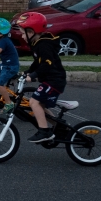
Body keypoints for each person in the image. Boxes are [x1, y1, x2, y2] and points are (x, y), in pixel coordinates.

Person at [14, 12, 67, 144]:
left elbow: (46, 64)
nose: (21, 35)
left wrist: (32, 76)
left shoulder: (44, 45)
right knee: (40, 106)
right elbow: (37, 62)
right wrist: (28, 72)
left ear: (31, 31)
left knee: (34, 102)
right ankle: (59, 126)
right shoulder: (38, 43)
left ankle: (44, 131)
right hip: (51, 80)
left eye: (22, 32)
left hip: (54, 81)